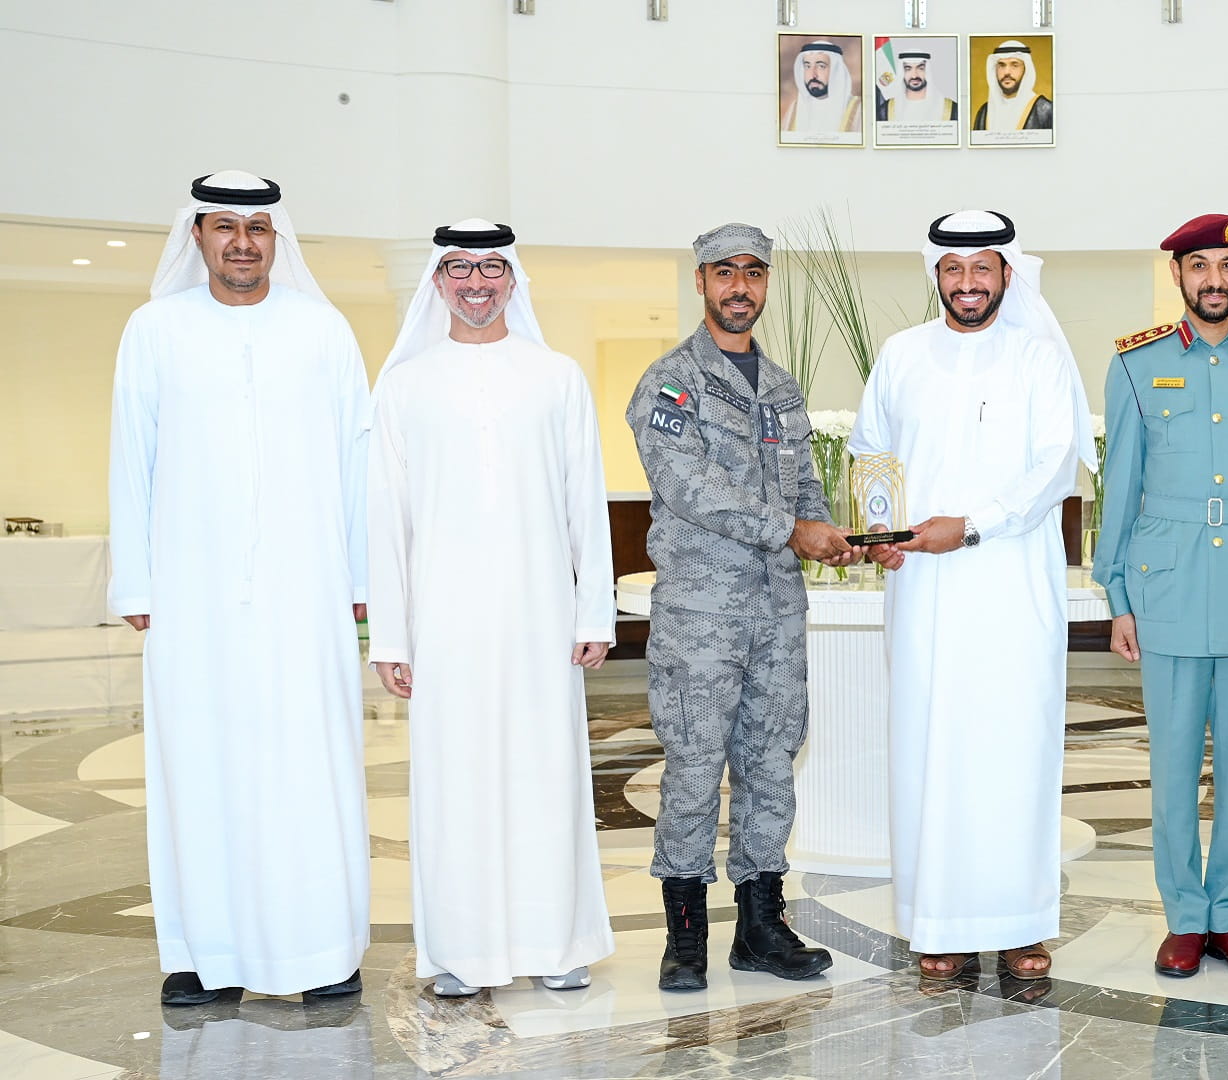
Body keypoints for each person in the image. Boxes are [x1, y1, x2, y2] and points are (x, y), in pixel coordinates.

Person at [108, 170, 370, 1005]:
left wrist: (362, 582)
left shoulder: (322, 329)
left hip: (308, 593)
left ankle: (323, 950)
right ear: (198, 236)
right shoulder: (154, 329)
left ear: (276, 238)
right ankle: (203, 954)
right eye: (225, 227)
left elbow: (358, 463)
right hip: (193, 596)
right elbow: (130, 458)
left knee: (308, 763)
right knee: (200, 763)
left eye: (257, 228)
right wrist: (137, 578)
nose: (243, 243)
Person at [366, 220, 615, 997]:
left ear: (513, 280)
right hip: (443, 624)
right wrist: (391, 636)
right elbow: (388, 517)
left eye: (491, 270)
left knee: (547, 776)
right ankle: (460, 952)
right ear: (436, 282)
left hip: (541, 616)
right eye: (459, 270)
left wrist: (593, 615)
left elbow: (586, 505)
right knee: (455, 781)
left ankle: (556, 942)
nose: (476, 284)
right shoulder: (405, 383)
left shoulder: (557, 375)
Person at [854, 209, 1097, 982]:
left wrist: (973, 525)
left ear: (1006, 275)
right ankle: (939, 923)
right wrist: (882, 532)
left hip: (1012, 585)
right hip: (923, 591)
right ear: (937, 276)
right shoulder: (900, 356)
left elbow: (1056, 466)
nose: (967, 283)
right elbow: (871, 454)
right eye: (954, 270)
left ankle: (1022, 925)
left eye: (982, 269)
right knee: (931, 748)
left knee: (1015, 749)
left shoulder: (1038, 359)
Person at [627, 223, 859, 992]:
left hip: (776, 612)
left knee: (770, 765)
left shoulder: (784, 389)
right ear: (700, 282)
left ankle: (761, 924)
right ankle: (685, 933)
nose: (739, 287)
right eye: (724, 272)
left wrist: (837, 537)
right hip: (702, 611)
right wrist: (792, 530)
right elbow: (689, 487)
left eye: (753, 274)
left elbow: (806, 491)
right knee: (694, 765)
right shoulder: (671, 384)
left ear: (765, 284)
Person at [1093, 213, 1228, 979]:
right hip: (1170, 585)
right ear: (1179, 277)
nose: (1213, 280)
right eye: (1200, 267)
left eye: (1227, 265)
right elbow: (1118, 487)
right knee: (1174, 762)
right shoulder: (1136, 365)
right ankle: (1185, 917)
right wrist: (1118, 594)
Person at [782, 40, 861, 135]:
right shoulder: (794, 110)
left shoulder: (857, 109)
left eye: (821, 66)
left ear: (836, 71)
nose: (812, 75)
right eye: (807, 66)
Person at [971, 41, 1054, 131]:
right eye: (1001, 65)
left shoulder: (1046, 110)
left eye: (1015, 65)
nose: (1007, 72)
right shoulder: (984, 112)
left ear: (1026, 70)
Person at [877, 50, 959, 122]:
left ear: (928, 71)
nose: (914, 75)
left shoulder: (952, 109)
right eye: (908, 69)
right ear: (902, 72)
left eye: (920, 68)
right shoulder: (885, 110)